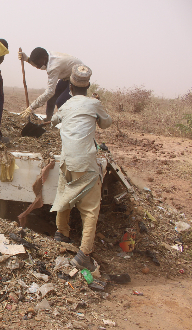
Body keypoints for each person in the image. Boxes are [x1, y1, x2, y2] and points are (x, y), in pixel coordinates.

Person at [50, 64, 112, 271]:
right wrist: (97, 106)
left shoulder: (65, 105)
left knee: (64, 197)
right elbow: (106, 124)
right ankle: (84, 253)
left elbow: (53, 121)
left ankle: (61, 235)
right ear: (89, 86)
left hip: (67, 161)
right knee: (90, 209)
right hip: (86, 162)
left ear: (70, 87)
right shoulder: (94, 104)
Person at [19, 48, 82, 121]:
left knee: (61, 101)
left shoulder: (53, 66)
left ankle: (67, 123)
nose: (37, 67)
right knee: (52, 98)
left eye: (38, 64)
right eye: (36, 65)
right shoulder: (47, 57)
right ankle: (48, 119)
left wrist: (31, 107)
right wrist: (27, 59)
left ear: (44, 58)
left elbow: (50, 92)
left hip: (78, 76)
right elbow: (41, 65)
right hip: (68, 75)